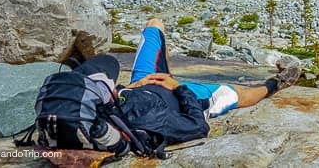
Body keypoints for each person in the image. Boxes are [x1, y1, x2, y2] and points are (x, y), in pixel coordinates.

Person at [114, 18, 300, 147]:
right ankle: (277, 84)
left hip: (143, 82)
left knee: (154, 25)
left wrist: (129, 87)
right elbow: (198, 126)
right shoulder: (157, 123)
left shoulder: (94, 110)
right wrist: (178, 88)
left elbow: (110, 92)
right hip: (183, 96)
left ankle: (168, 74)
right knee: (236, 94)